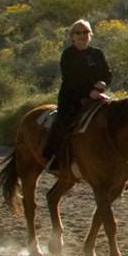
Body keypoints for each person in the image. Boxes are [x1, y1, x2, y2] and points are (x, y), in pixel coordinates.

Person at [44, 20, 112, 173]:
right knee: (64, 122)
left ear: (90, 34)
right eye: (78, 33)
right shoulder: (68, 55)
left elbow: (107, 73)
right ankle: (55, 159)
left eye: (86, 32)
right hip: (72, 97)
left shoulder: (97, 53)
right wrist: (89, 92)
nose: (83, 36)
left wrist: (103, 82)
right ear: (72, 36)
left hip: (97, 95)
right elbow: (70, 79)